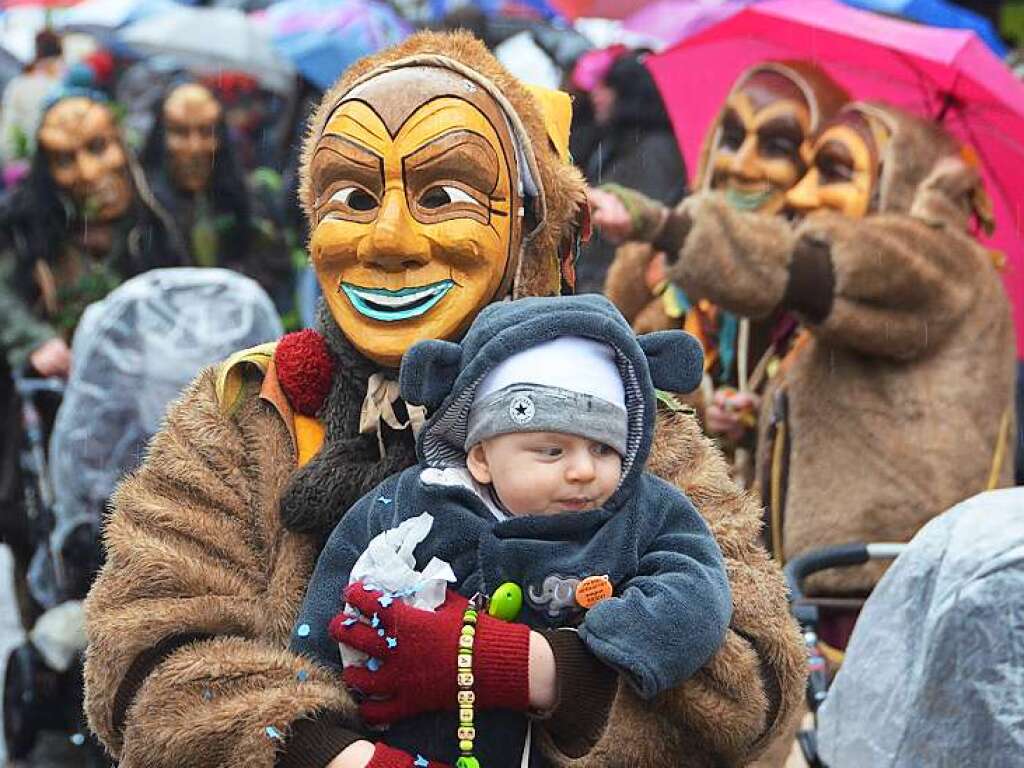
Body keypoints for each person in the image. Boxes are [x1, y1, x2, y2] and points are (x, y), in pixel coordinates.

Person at [83, 32, 805, 768]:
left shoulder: (615, 415)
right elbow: (143, 660)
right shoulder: (250, 408)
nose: (389, 239)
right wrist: (331, 754)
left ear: (528, 222)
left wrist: (535, 669)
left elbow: (757, 679)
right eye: (354, 197)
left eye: (444, 195)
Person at [593, 101, 1016, 618]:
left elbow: (807, 269)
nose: (800, 192)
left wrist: (660, 225)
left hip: (888, 588)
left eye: (834, 172)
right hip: (839, 583)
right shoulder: (874, 297)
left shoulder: (935, 262)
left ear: (896, 180)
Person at [291, 294, 732, 767]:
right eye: (551, 451)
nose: (584, 470)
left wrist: (584, 650)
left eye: (604, 450)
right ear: (479, 457)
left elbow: (697, 592)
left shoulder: (643, 511)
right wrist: (333, 748)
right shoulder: (404, 509)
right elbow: (314, 645)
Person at [595, 62, 848, 474]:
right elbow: (611, 383)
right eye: (733, 139)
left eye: (776, 147)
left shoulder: (824, 289)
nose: (743, 166)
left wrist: (756, 421)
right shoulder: (649, 263)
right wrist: (696, 411)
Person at [139, 80, 295, 311]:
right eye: (180, 132)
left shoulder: (250, 202)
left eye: (206, 132)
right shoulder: (144, 208)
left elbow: (277, 272)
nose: (195, 148)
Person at [574, 50, 687, 294]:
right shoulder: (617, 140)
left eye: (606, 86)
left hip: (614, 286)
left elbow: (634, 223)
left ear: (627, 94)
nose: (596, 94)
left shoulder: (656, 151)